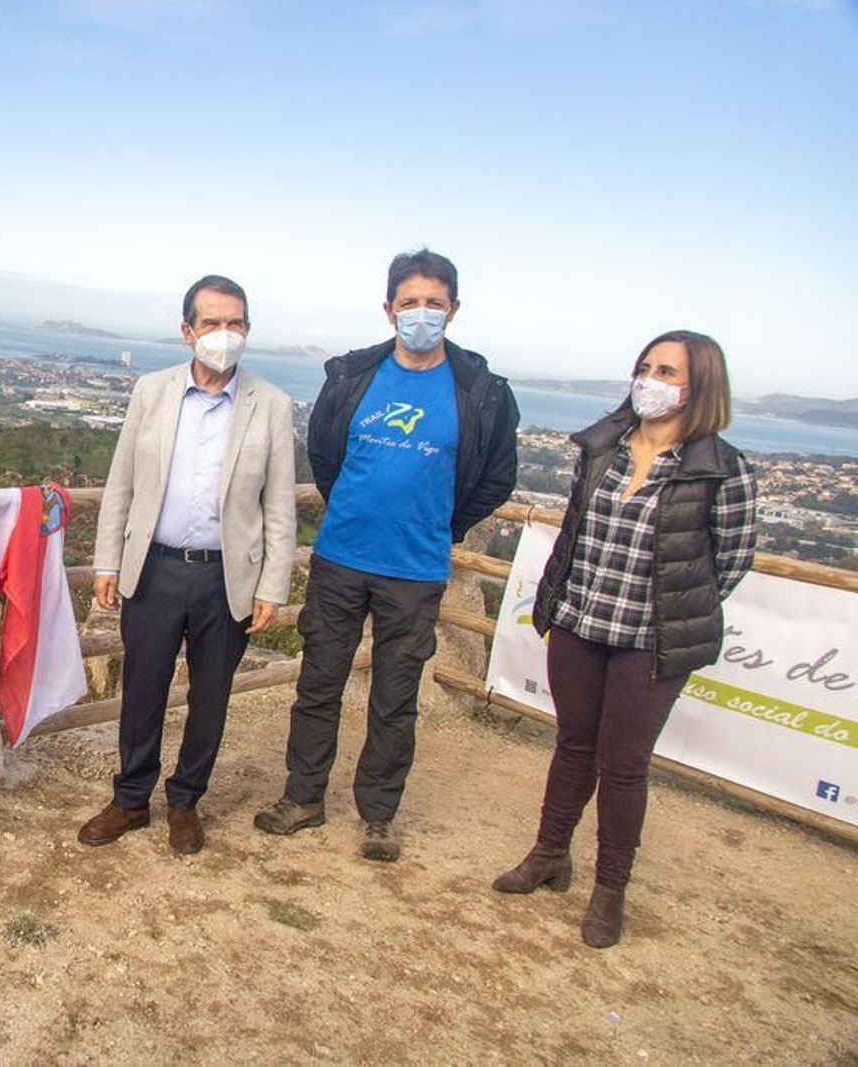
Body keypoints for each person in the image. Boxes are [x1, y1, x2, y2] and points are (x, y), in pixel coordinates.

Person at [492, 330, 756, 948]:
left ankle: (610, 889)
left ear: (701, 387)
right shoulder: (604, 445)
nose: (650, 379)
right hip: (582, 623)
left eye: (667, 370)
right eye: (645, 367)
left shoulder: (724, 468)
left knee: (625, 765)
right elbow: (578, 529)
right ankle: (550, 853)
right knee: (573, 745)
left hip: (651, 641)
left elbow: (731, 561)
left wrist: (665, 608)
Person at [254, 249, 519, 861]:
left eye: (433, 303)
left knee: (395, 699)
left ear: (453, 309)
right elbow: (324, 453)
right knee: (319, 684)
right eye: (409, 303)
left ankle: (379, 814)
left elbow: (496, 476)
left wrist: (445, 523)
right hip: (342, 557)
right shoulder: (353, 377)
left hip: (416, 570)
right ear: (388, 309)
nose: (420, 314)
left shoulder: (479, 390)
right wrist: (351, 505)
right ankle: (303, 797)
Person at [82, 275, 297, 855]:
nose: (224, 335)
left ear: (247, 330)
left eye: (236, 323)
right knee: (142, 690)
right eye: (211, 323)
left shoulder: (271, 406)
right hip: (152, 568)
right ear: (187, 331)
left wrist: (272, 587)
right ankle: (130, 800)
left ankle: (185, 802)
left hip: (226, 577)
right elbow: (121, 483)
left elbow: (279, 508)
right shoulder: (151, 392)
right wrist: (107, 562)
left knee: (210, 698)